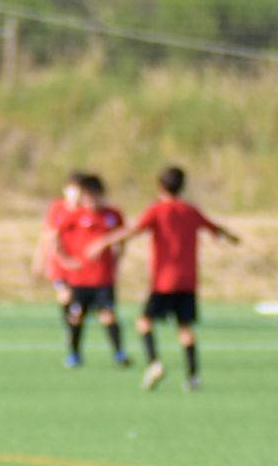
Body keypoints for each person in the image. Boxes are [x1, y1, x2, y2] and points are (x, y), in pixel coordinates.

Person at [87, 166, 240, 391]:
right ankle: (193, 377)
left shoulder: (157, 210)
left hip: (164, 280)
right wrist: (229, 236)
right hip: (188, 281)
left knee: (144, 321)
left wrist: (103, 242)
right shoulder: (190, 211)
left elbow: (133, 230)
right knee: (185, 328)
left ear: (159, 186)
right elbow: (214, 228)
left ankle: (154, 363)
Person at [52, 175, 130, 368]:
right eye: (87, 196)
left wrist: (115, 255)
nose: (91, 201)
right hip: (79, 279)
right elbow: (55, 238)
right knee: (76, 316)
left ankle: (119, 353)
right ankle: (74, 354)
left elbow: (125, 234)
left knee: (108, 315)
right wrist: (66, 261)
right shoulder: (75, 215)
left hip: (103, 278)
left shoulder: (112, 214)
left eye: (95, 196)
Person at [31, 172, 85, 318]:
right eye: (72, 189)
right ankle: (70, 327)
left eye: (79, 189)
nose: (76, 193)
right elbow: (46, 236)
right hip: (59, 264)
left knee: (78, 303)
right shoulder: (57, 208)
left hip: (79, 263)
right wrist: (39, 260)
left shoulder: (87, 211)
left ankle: (73, 328)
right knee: (65, 295)